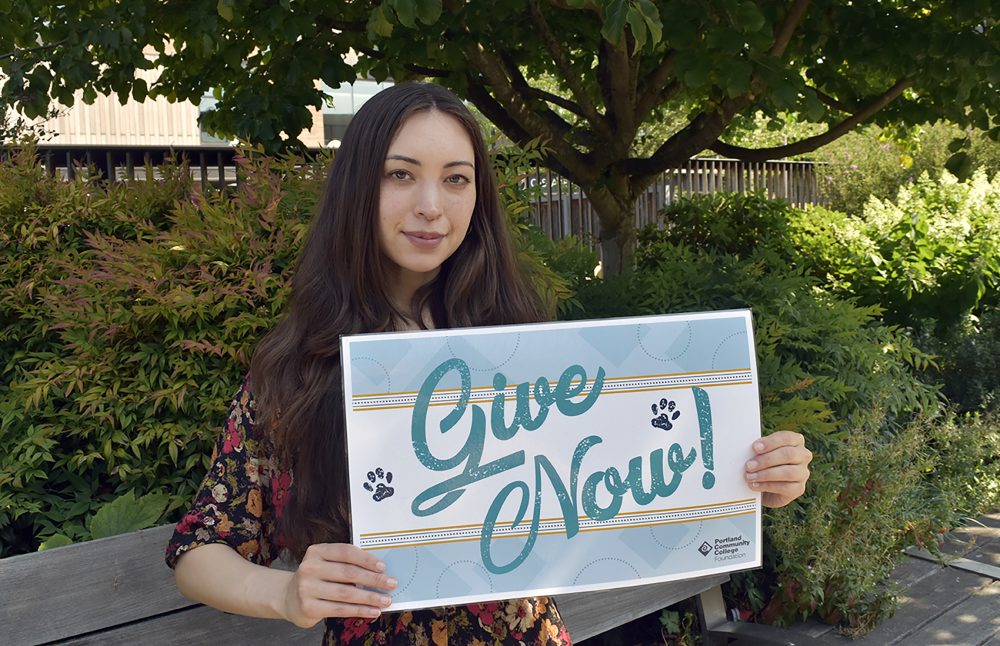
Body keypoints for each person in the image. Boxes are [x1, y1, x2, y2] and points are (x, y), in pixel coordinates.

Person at [166, 82, 813, 645]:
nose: (431, 205)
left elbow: (622, 477)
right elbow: (202, 548)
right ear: (359, 187)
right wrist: (286, 596)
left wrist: (748, 474)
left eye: (456, 178)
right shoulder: (299, 372)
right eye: (401, 174)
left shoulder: (519, 348)